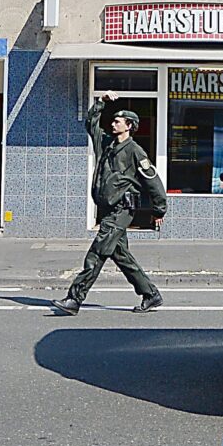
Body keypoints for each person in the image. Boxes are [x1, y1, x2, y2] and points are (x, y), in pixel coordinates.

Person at [51, 93, 164, 314]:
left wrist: (159, 209)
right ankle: (151, 295)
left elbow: (153, 180)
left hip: (122, 210)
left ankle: (74, 299)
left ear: (129, 126)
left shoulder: (135, 151)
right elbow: (90, 123)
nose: (113, 123)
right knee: (121, 255)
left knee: (97, 253)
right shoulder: (106, 144)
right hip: (108, 209)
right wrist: (101, 101)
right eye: (113, 121)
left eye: (118, 121)